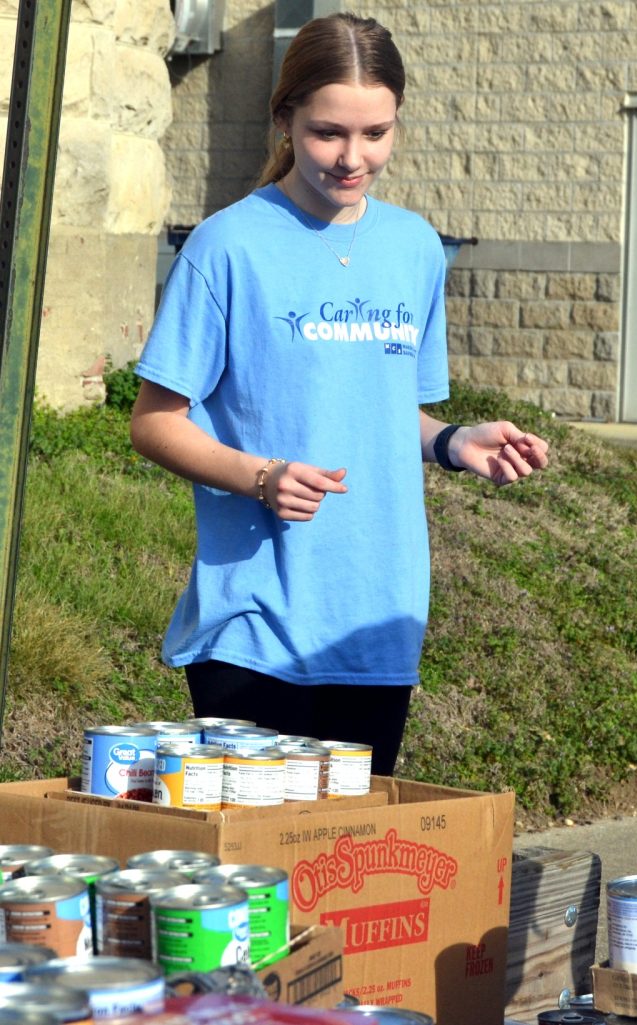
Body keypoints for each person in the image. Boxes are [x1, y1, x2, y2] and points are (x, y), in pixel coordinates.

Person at [129, 13, 548, 777]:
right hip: (254, 627)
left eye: (376, 133)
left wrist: (454, 441)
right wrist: (260, 476)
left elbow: (390, 411)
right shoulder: (227, 246)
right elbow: (155, 423)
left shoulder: (415, 247)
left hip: (379, 621)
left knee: (345, 877)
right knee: (257, 879)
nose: (354, 158)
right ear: (284, 118)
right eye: (329, 133)